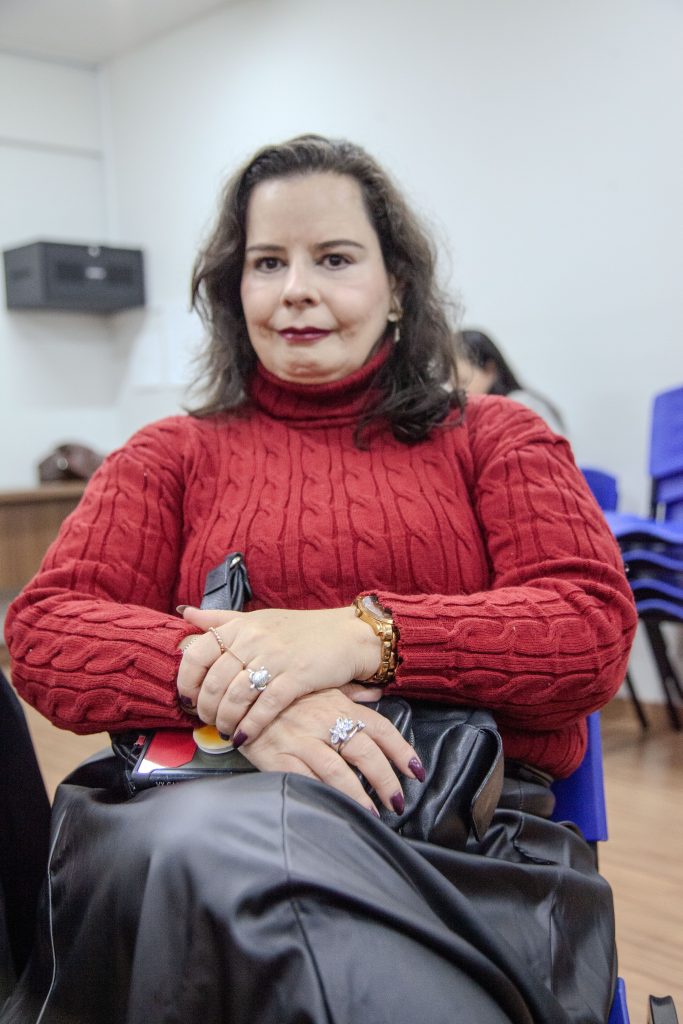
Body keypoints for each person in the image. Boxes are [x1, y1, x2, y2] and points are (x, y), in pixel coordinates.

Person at [3, 135, 636, 1024]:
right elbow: (46, 629)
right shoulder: (168, 456)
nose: (296, 287)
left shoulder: (495, 438)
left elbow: (587, 626)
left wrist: (358, 637)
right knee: (218, 858)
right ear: (235, 291)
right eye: (267, 262)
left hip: (456, 838)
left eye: (334, 258)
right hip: (203, 814)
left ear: (397, 288)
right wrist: (256, 700)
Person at [455, 327, 567, 434]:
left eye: (463, 381)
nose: (456, 390)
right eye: (451, 382)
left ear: (490, 369)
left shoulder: (522, 404)